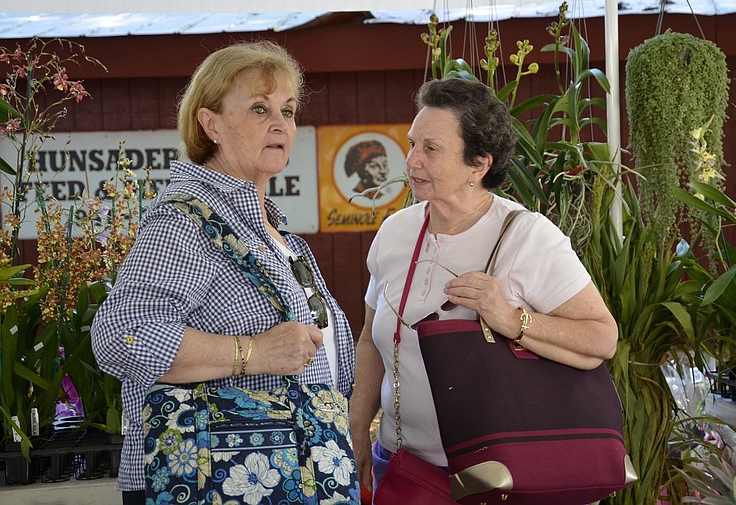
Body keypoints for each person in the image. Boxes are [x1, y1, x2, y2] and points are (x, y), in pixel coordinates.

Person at [91, 41, 357, 505]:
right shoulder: (188, 220)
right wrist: (254, 352)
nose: (281, 124)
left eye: (289, 110)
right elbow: (122, 335)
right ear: (209, 122)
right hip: (215, 482)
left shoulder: (269, 231)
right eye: (259, 108)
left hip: (287, 475)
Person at [349, 77, 619, 496]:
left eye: (431, 149)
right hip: (401, 468)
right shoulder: (394, 233)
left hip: (497, 480)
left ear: (478, 164)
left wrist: (512, 319)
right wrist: (356, 427)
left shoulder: (527, 236)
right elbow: (370, 340)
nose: (412, 161)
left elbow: (602, 338)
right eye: (412, 143)